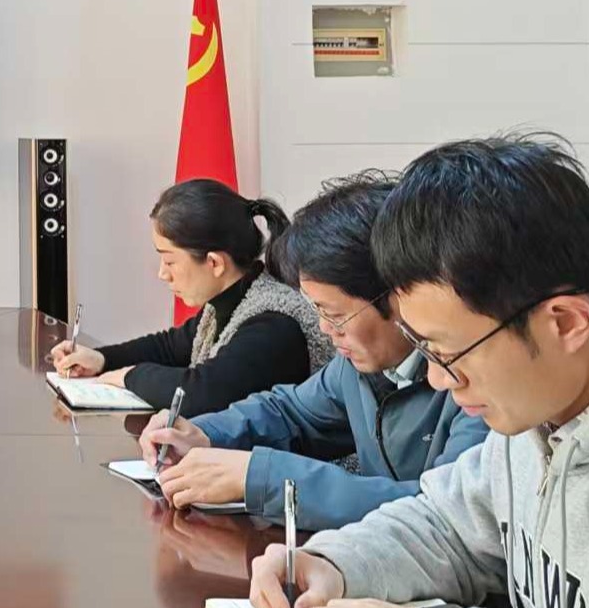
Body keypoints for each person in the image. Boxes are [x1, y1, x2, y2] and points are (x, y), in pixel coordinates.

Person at [248, 135, 589, 608]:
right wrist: (333, 563)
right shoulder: (525, 430)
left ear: (565, 323)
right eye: (424, 349)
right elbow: (446, 527)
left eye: (450, 353)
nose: (437, 379)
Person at [138, 171, 488, 530]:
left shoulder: (476, 385)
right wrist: (205, 433)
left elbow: (442, 512)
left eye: (334, 314)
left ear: (400, 296)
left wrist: (265, 478)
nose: (324, 328)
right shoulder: (356, 367)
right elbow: (291, 411)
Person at [51, 179, 334, 415]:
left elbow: (201, 393)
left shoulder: (273, 324)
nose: (162, 274)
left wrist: (128, 376)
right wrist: (101, 358)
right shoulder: (231, 302)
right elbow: (169, 347)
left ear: (214, 263)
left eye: (170, 261)